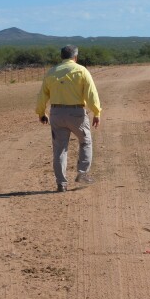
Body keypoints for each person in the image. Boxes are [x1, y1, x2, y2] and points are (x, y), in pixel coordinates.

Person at [36, 45, 102, 192]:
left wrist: (41, 112)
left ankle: (61, 183)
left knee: (59, 149)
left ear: (61, 57)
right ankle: (82, 173)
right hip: (76, 113)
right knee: (85, 142)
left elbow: (42, 95)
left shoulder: (51, 72)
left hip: (56, 114)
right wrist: (96, 112)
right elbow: (91, 94)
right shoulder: (81, 70)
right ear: (75, 57)